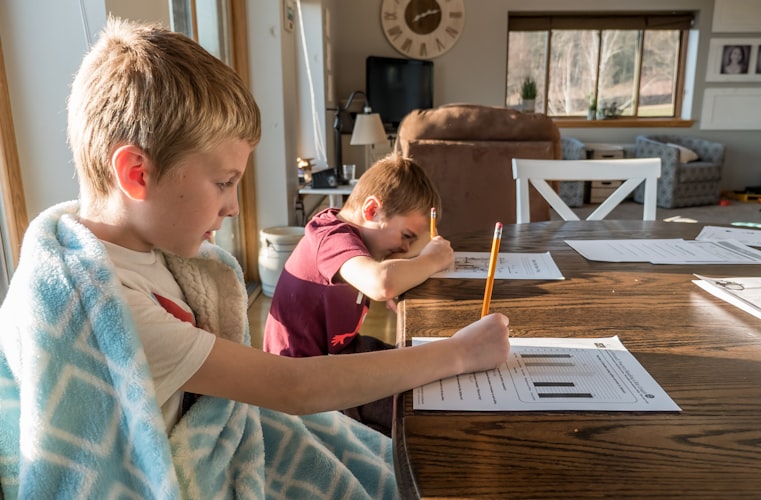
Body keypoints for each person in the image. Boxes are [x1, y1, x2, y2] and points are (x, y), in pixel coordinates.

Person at [0, 18, 510, 498]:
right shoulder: (108, 309)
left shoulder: (144, 251)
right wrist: (460, 353)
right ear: (136, 173)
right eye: (223, 183)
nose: (231, 206)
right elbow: (290, 386)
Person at [263, 154, 453, 434]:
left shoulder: (359, 241)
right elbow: (381, 283)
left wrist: (407, 271)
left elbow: (384, 279)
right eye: (407, 237)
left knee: (424, 372)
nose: (405, 251)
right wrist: (430, 261)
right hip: (303, 383)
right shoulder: (330, 237)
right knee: (417, 411)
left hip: (339, 354)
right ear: (372, 210)